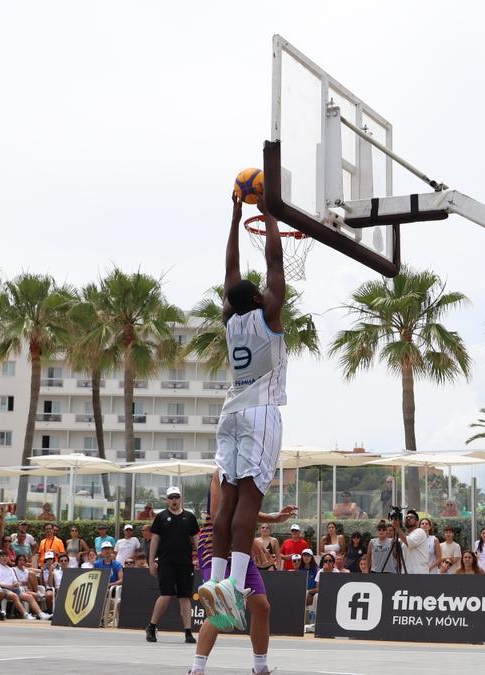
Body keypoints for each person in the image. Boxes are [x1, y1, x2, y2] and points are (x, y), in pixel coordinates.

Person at [198, 194, 288, 647]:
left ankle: (216, 582)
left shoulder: (230, 318)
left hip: (229, 413)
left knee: (225, 508)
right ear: (258, 298)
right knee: (248, 507)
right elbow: (273, 260)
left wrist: (235, 218)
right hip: (260, 412)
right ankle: (232, 590)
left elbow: (230, 274)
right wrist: (271, 213)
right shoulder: (267, 314)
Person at [187, 470, 295, 675]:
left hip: (239, 543)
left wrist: (272, 517)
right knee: (219, 606)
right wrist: (250, 539)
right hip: (215, 542)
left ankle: (260, 667)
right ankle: (197, 669)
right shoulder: (222, 471)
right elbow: (218, 511)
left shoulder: (250, 471)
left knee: (262, 607)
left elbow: (244, 510)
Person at [146, 485, 200, 644]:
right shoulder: (161, 517)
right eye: (171, 497)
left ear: (180, 498)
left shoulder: (190, 517)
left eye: (176, 497)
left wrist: (202, 558)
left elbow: (196, 540)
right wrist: (151, 561)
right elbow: (155, 540)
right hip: (166, 563)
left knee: (185, 597)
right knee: (165, 595)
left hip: (185, 563)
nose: (174, 500)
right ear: (167, 500)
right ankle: (152, 626)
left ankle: (188, 632)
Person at [394, 509, 429, 574]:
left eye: (411, 517)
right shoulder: (406, 536)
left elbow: (409, 542)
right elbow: (395, 554)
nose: (408, 518)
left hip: (418, 573)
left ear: (417, 522)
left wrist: (397, 528)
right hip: (407, 573)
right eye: (406, 517)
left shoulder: (420, 531)